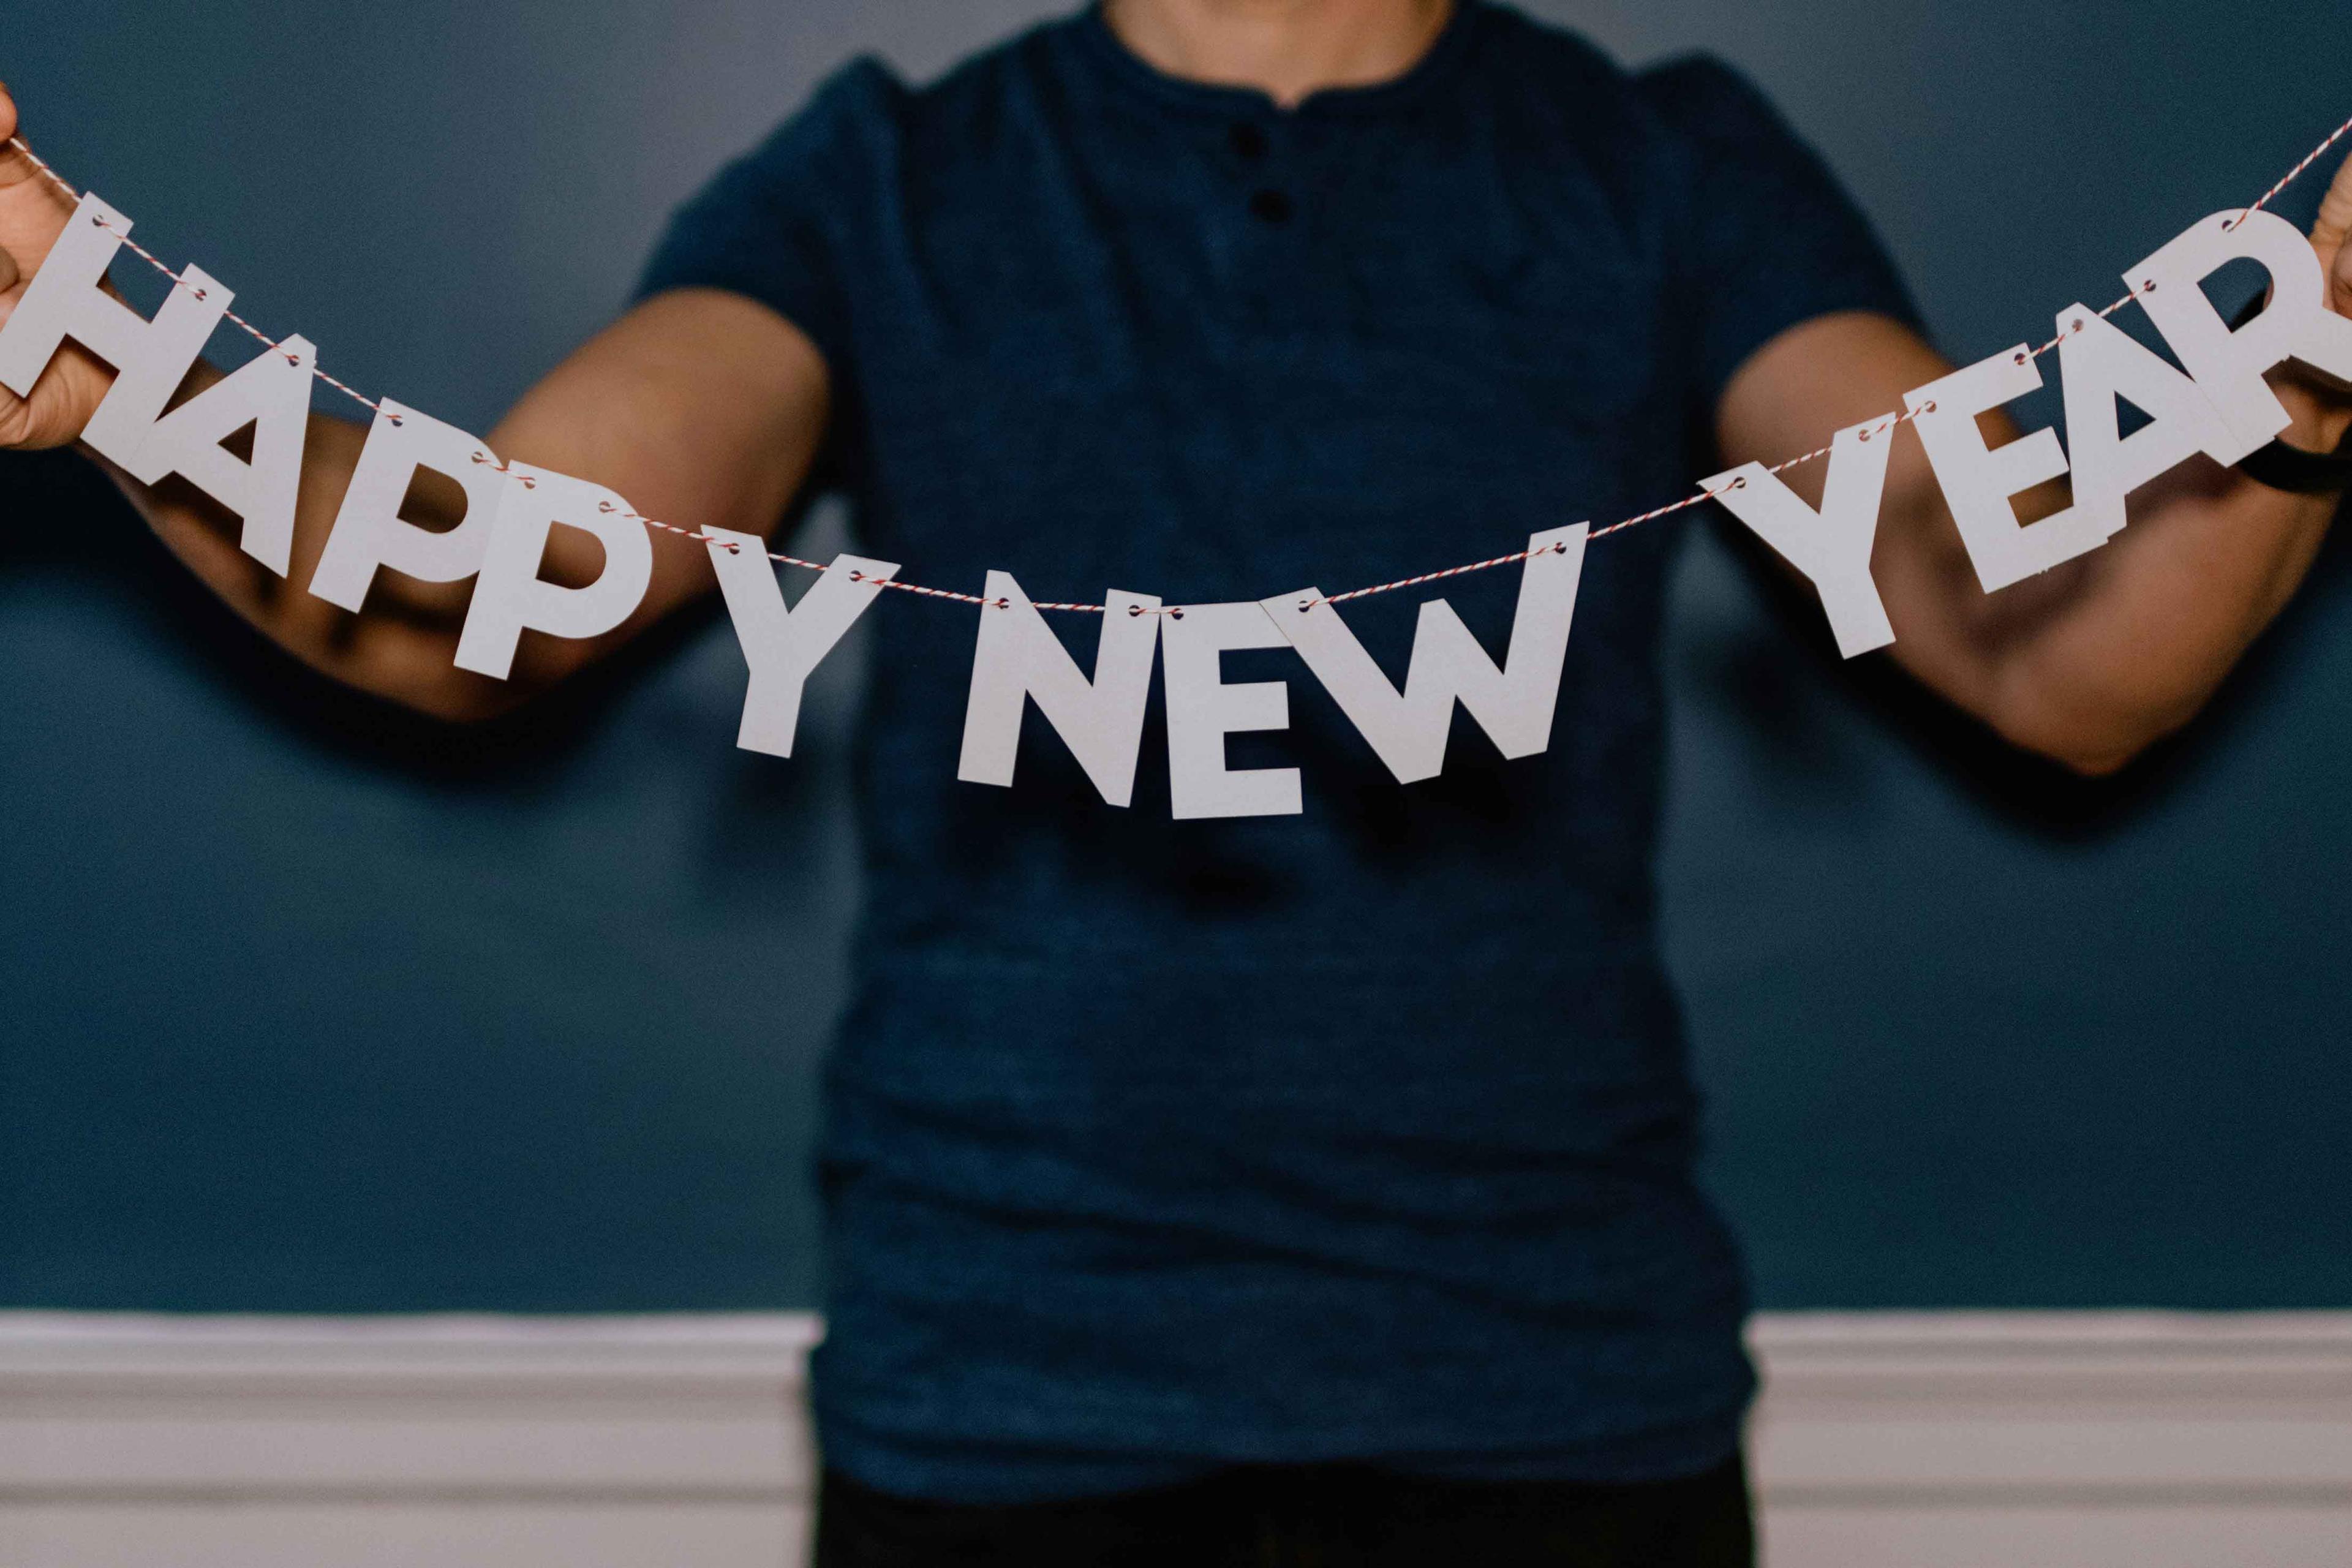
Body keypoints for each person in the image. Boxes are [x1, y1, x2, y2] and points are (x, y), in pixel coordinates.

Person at [4, 1, 2349, 1562]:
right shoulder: (880, 177)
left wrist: (2318, 366)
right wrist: (100, 352)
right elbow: (483, 589)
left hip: (1558, 1400)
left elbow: (2060, 658)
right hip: (998, 1407)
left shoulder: (1668, 162)